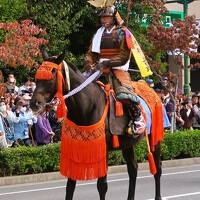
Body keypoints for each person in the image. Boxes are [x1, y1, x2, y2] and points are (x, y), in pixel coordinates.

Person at [84, 6, 144, 135]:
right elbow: (91, 53)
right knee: (82, 89)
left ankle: (137, 118)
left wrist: (108, 63)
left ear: (113, 18)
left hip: (117, 70)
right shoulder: (98, 34)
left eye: (107, 17)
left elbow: (124, 56)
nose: (104, 20)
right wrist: (88, 62)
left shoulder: (122, 32)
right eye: (102, 17)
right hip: (99, 69)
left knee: (123, 94)